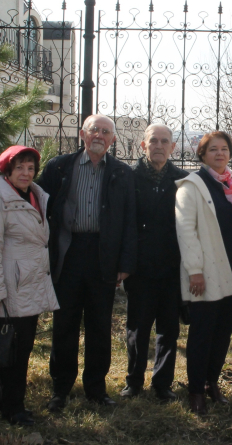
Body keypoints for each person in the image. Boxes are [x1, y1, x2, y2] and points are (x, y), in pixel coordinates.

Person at [38, 114, 136, 411]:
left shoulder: (122, 172)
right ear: (83, 133)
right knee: (64, 323)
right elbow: (39, 207)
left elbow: (130, 220)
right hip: (67, 254)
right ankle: (61, 388)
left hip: (103, 256)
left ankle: (96, 388)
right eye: (95, 129)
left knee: (99, 325)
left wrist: (125, 262)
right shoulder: (59, 167)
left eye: (106, 132)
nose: (99, 136)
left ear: (113, 140)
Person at [0, 145, 60, 426]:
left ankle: (2, 401)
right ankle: (14, 408)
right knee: (15, 350)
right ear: (7, 170)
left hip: (31, 282)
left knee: (17, 347)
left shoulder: (36, 196)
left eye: (30, 168)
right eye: (19, 167)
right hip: (10, 286)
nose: (26, 173)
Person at [175, 131, 232, 415]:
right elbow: (186, 231)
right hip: (206, 271)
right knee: (203, 333)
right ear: (202, 155)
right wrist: (195, 270)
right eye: (213, 149)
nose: (220, 154)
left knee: (224, 333)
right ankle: (195, 390)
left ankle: (211, 382)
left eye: (224, 149)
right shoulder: (191, 186)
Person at [120, 124, 188, 402]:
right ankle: (134, 381)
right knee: (138, 328)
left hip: (172, 267)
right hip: (140, 267)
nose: (159, 146)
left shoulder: (183, 179)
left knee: (168, 330)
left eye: (165, 141)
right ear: (142, 145)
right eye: (153, 141)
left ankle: (162, 384)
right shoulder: (129, 177)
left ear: (173, 147)